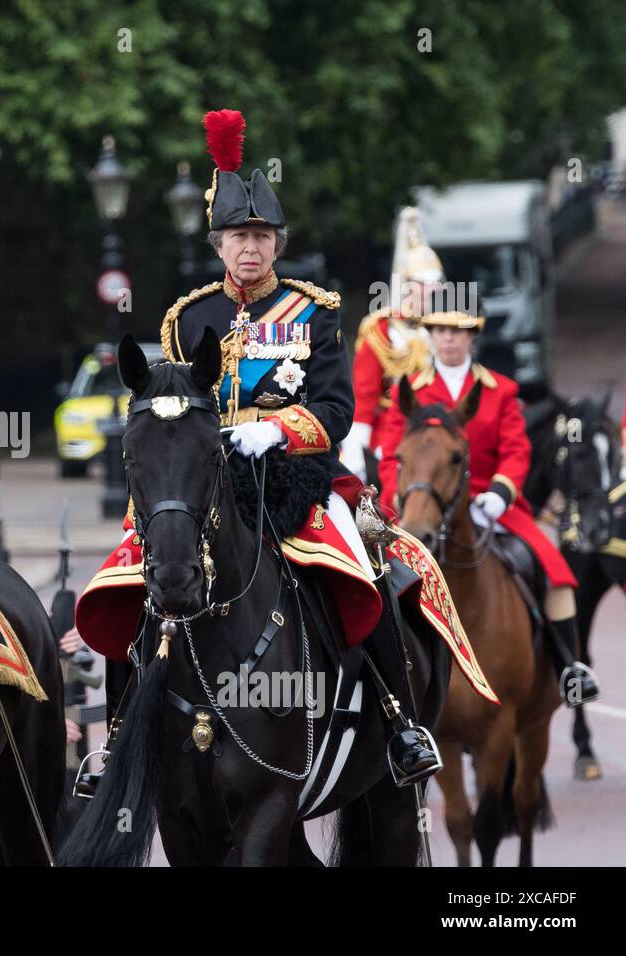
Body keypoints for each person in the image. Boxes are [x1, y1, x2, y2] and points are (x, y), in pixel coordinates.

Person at [76, 109, 442, 785]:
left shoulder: (314, 311)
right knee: (132, 574)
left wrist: (275, 428)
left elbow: (336, 410)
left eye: (263, 236)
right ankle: (120, 736)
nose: (251, 248)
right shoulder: (190, 317)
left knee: (369, 564)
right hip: (206, 479)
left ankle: (399, 722)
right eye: (239, 236)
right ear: (218, 244)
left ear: (278, 243)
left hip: (295, 479)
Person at [378, 311, 601, 707]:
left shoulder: (499, 390)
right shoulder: (409, 390)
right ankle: (383, 674)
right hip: (422, 505)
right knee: (379, 576)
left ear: (472, 339)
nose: (449, 340)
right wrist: (403, 501)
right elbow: (393, 454)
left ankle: (571, 666)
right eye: (441, 332)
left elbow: (516, 451)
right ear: (430, 337)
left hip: (487, 503)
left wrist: (499, 495)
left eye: (458, 333)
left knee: (554, 567)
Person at [341, 207, 439, 481]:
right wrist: (356, 450)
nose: (430, 290)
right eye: (423, 283)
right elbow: (365, 395)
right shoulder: (381, 329)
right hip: (391, 429)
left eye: (434, 283)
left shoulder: (441, 326)